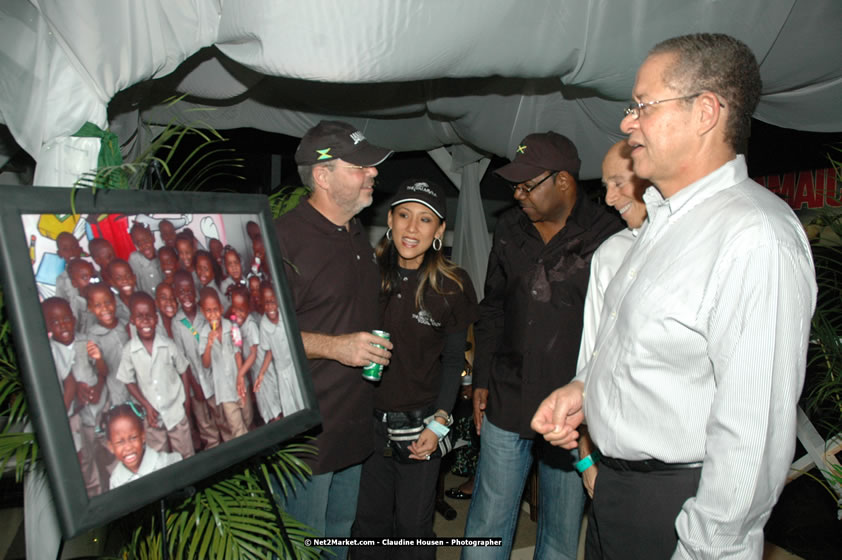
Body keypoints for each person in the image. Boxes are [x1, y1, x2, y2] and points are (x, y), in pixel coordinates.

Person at [531, 33, 817, 559]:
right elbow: (638, 350)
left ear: (705, 111)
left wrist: (708, 550)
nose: (625, 122)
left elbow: (753, 435)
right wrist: (583, 390)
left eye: (642, 105)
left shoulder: (754, 235)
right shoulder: (661, 224)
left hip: (678, 507)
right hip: (614, 492)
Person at [463, 131, 622, 560]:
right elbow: (492, 307)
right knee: (487, 520)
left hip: (570, 416)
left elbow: (616, 329)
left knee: (560, 530)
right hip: (508, 396)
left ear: (564, 182)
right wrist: (481, 379)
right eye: (514, 185)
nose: (517, 195)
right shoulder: (509, 229)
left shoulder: (610, 235)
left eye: (527, 185)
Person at [273, 120, 394, 558]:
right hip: (306, 438)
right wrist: (336, 347)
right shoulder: (284, 240)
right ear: (322, 176)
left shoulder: (355, 233)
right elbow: (262, 336)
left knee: (338, 538)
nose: (373, 173)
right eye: (360, 166)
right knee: (303, 547)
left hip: (352, 427)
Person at [353, 179, 478, 558]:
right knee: (368, 526)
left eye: (425, 220)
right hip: (367, 422)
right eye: (404, 215)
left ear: (440, 230)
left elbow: (455, 359)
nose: (412, 228)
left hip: (422, 424)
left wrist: (440, 422)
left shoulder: (452, 285)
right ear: (389, 219)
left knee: (412, 529)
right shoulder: (367, 275)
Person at [575, 140, 649, 499]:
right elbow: (591, 355)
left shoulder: (694, 247)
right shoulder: (610, 253)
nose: (609, 198)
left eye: (618, 183)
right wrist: (586, 458)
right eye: (605, 186)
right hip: (614, 450)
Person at [116, 292, 195, 459]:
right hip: (152, 417)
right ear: (132, 320)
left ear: (156, 318)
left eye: (149, 316)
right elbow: (128, 381)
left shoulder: (168, 345)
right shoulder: (130, 351)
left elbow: (183, 371)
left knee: (186, 454)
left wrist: (187, 402)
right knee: (160, 459)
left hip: (175, 411)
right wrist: (146, 405)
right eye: (139, 316)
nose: (145, 321)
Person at [43, 296, 108, 496]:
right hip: (79, 416)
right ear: (46, 324)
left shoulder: (86, 340)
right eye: (54, 321)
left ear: (74, 318)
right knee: (87, 457)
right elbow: (67, 383)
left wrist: (96, 388)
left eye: (66, 319)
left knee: (107, 451)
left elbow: (103, 371)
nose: (62, 325)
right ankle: (94, 494)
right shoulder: (49, 350)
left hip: (99, 408)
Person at [199, 287, 248, 440]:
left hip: (239, 383)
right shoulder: (202, 334)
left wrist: (241, 378)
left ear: (221, 309)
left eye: (215, 310)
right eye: (208, 311)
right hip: (224, 391)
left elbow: (238, 353)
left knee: (248, 418)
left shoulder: (231, 326)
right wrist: (209, 344)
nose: (213, 315)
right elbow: (206, 364)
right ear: (203, 313)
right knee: (237, 428)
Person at [103, 403, 182, 490]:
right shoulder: (116, 481)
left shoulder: (165, 463)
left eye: (133, 438)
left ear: (143, 436)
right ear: (111, 447)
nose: (128, 447)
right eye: (120, 442)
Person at [128, 222, 163, 294]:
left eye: (146, 240)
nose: (144, 245)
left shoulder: (163, 256)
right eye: (139, 243)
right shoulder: (134, 259)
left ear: (153, 238)